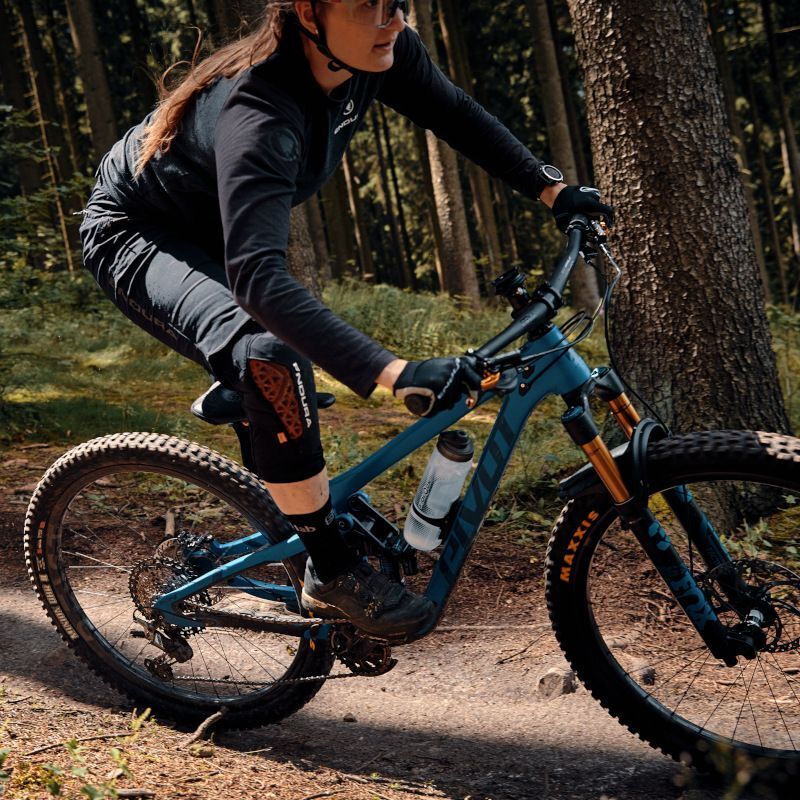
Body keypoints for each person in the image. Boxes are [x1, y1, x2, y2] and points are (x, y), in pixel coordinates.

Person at [78, 0, 613, 640]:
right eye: (369, 6)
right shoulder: (261, 111)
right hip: (138, 231)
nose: (393, 20)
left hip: (220, 222)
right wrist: (395, 372)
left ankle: (262, 414)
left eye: (397, 3)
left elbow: (455, 113)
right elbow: (258, 278)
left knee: (271, 365)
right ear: (309, 13)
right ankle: (328, 568)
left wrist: (552, 189)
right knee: (267, 349)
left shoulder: (381, 51)